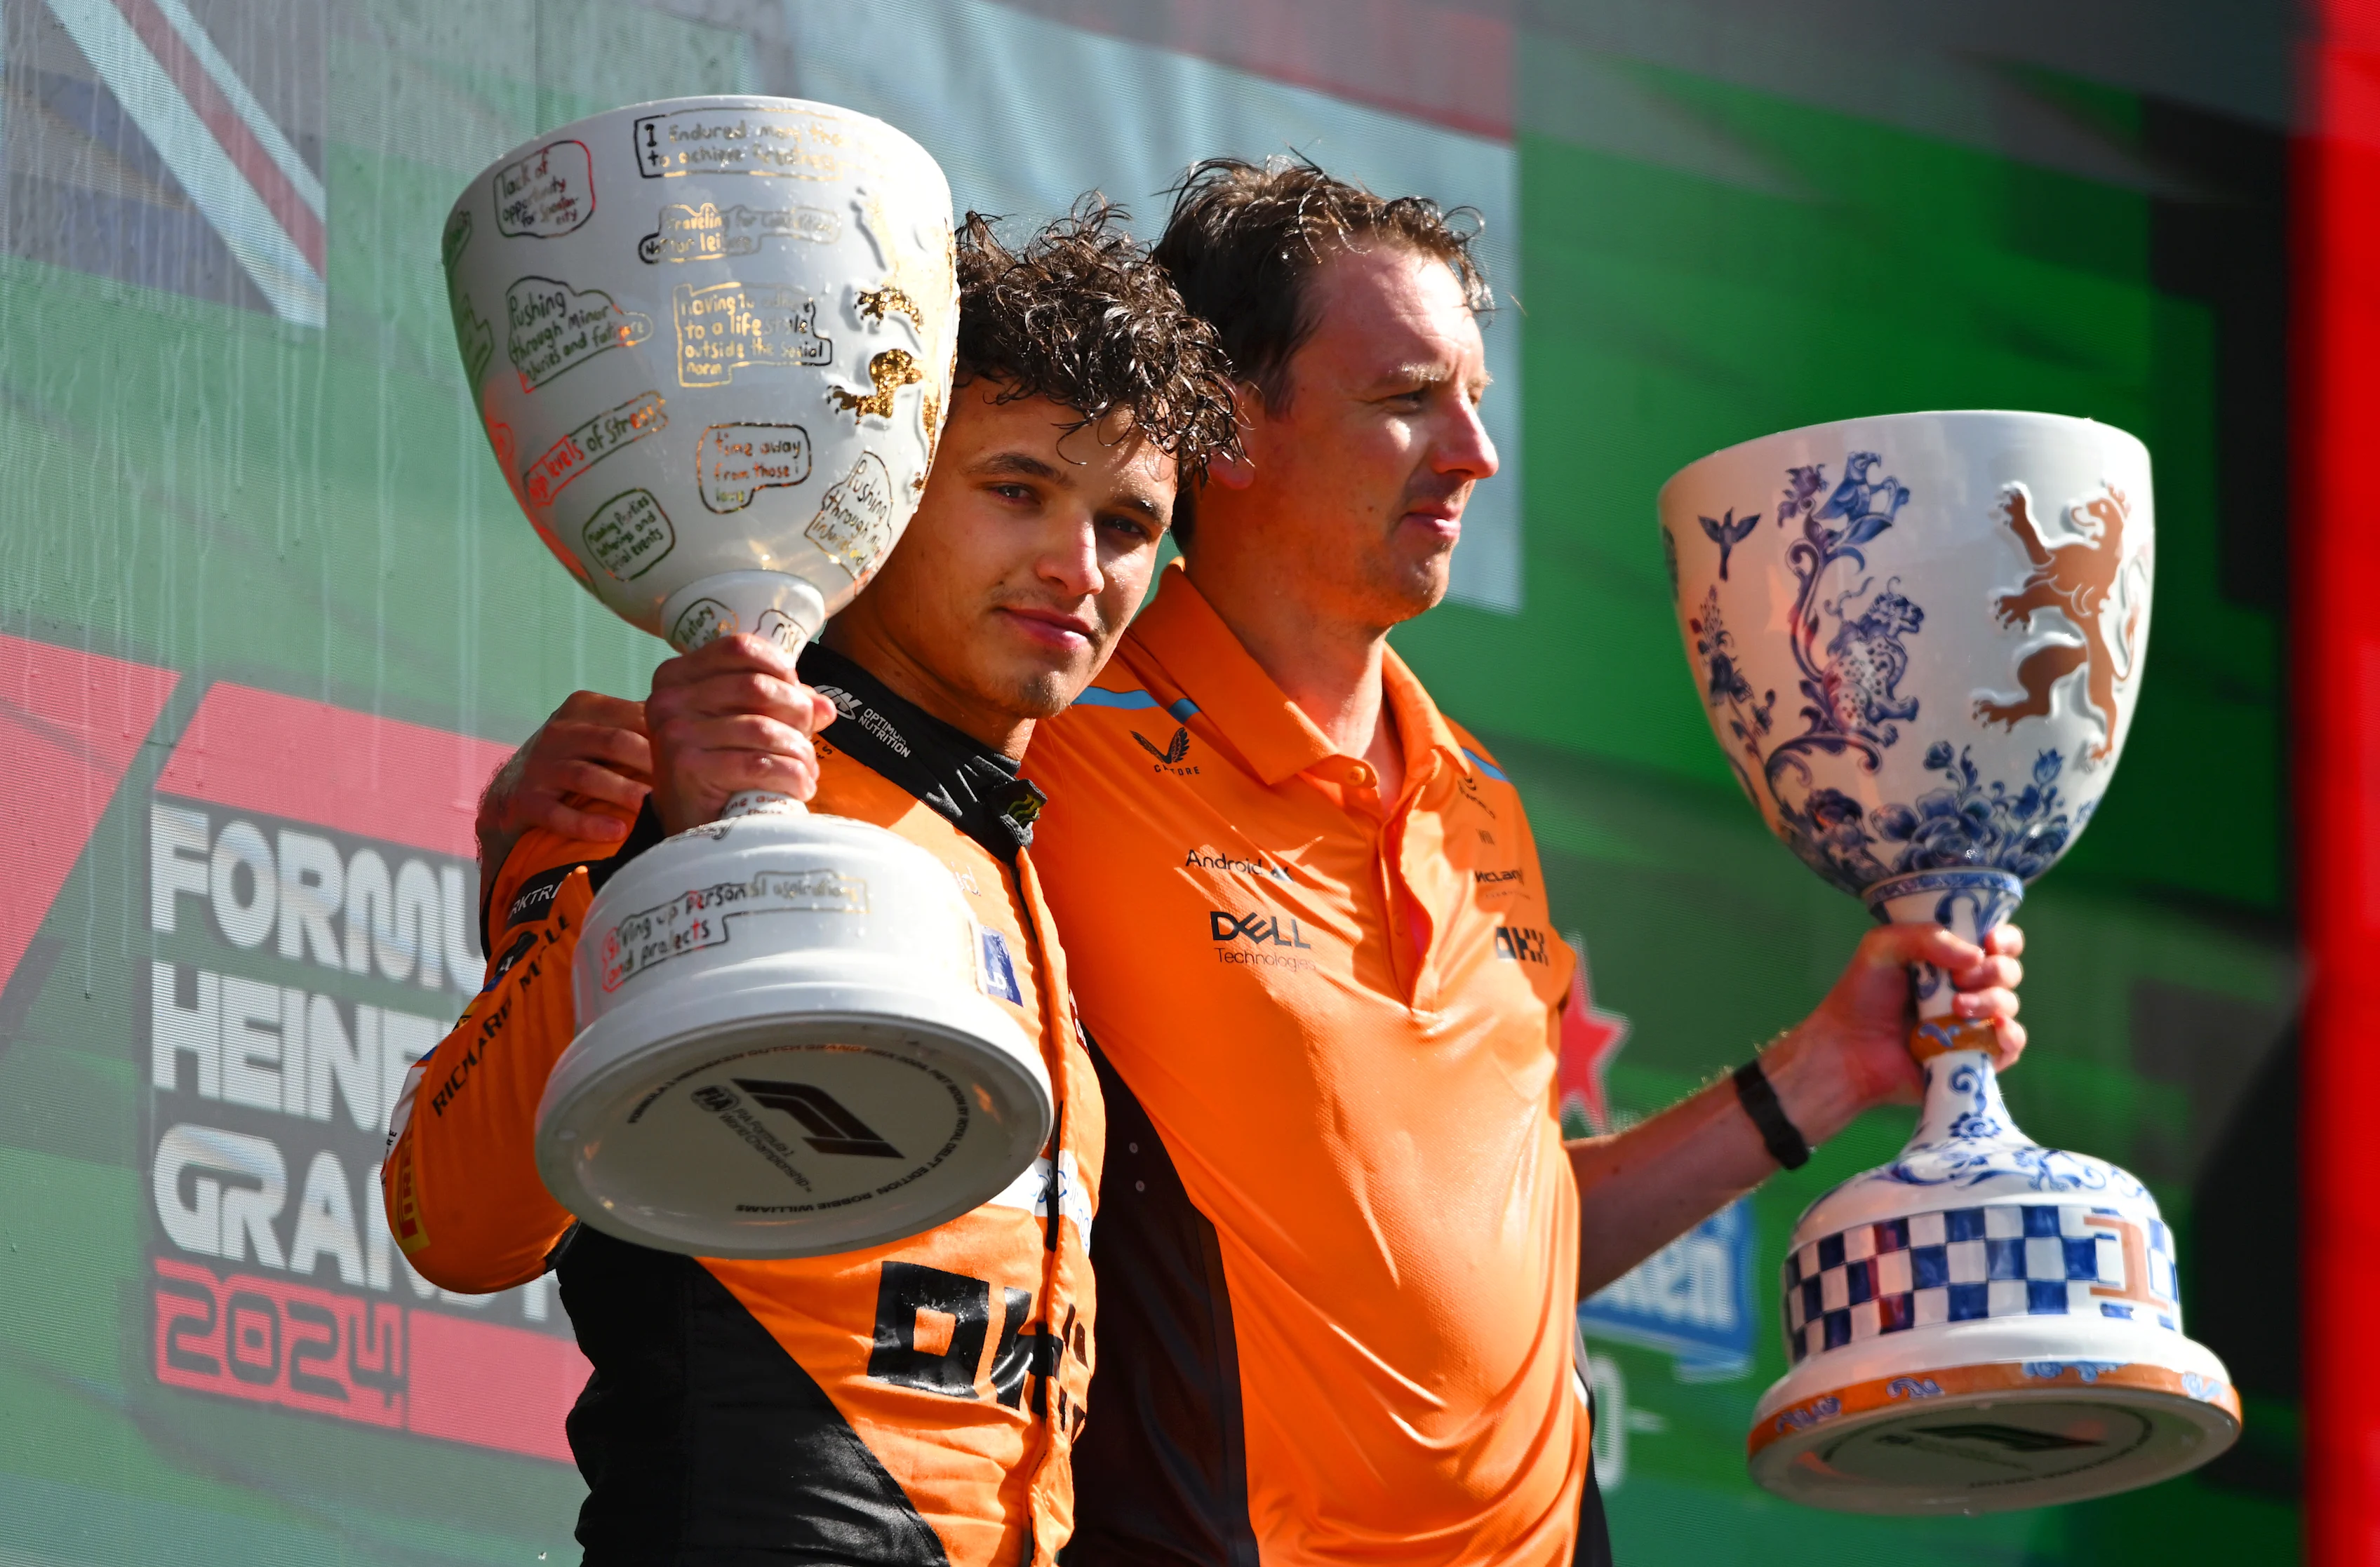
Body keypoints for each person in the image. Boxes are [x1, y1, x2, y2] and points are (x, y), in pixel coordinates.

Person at [482, 161, 2025, 1566]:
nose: (1474, 454)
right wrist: (588, 829)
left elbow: (1495, 1255)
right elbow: (798, 757)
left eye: (1475, 398)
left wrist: (1820, 1074)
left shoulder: (1477, 794)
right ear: (1227, 422)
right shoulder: (1050, 736)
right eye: (1408, 396)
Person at [384, 206, 1240, 1567]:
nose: (1078, 570)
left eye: (1128, 522)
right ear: (879, 486)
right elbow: (454, 1217)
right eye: (1016, 490)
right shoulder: (670, 783)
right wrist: (658, 853)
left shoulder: (1007, 853)